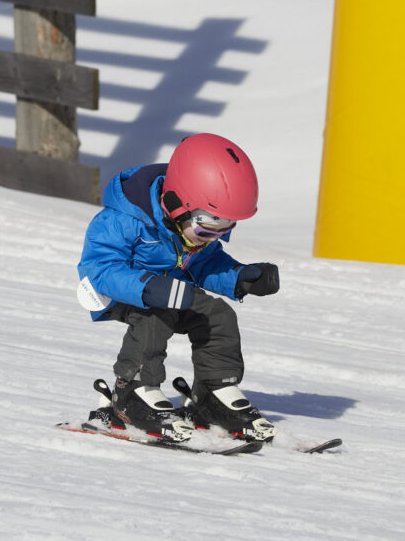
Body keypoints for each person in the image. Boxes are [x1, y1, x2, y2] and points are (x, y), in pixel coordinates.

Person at [76, 133, 281, 443]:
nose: (209, 237)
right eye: (206, 228)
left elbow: (203, 265)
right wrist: (147, 287)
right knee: (153, 318)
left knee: (217, 314)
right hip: (121, 292)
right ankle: (132, 393)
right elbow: (99, 269)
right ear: (175, 204)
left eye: (224, 230)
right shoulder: (125, 218)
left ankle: (213, 394)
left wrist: (240, 276)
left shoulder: (191, 229)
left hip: (172, 292)